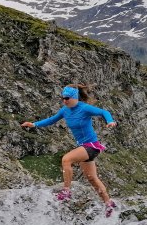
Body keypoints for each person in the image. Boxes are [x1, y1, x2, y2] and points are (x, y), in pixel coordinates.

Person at [21, 84, 118, 217]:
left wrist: (110, 121)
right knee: (92, 178)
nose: (65, 101)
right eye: (63, 98)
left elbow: (103, 112)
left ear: (74, 97)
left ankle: (66, 191)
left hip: (91, 146)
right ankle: (109, 204)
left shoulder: (84, 108)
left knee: (66, 159)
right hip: (83, 148)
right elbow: (51, 120)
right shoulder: (65, 110)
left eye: (67, 98)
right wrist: (34, 124)